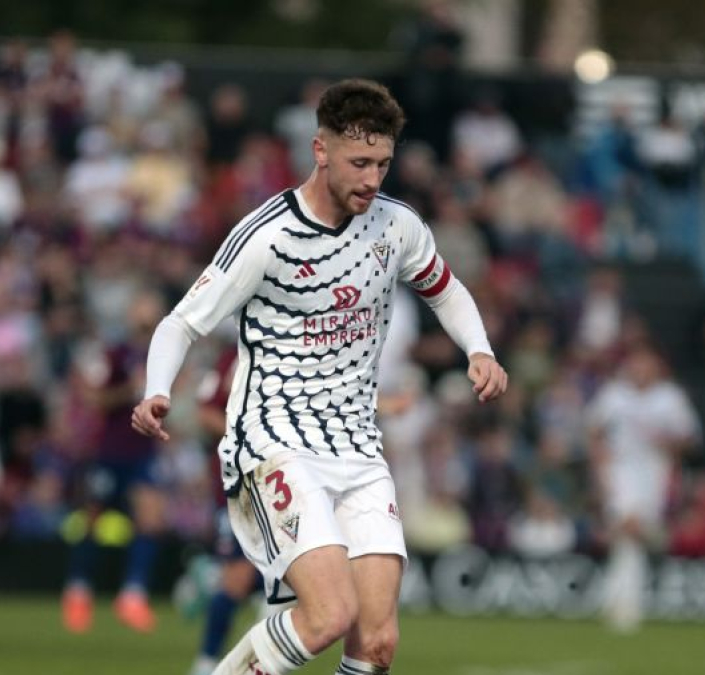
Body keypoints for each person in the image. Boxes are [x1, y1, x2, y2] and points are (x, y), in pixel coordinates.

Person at [132, 79, 507, 675]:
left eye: (383, 164)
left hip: (358, 447)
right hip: (275, 440)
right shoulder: (266, 236)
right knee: (328, 615)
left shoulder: (396, 226)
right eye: (360, 162)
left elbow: (447, 290)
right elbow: (181, 324)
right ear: (320, 150)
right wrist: (157, 390)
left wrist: (479, 350)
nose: (372, 179)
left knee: (377, 641)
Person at [62, 292, 168, 633]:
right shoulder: (115, 353)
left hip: (143, 451)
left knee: (150, 520)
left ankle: (133, 595)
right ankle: (78, 591)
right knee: (92, 518)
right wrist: (129, 391)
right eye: (143, 305)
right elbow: (93, 399)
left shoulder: (161, 356)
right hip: (110, 449)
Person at [587, 343, 700, 633]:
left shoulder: (670, 398)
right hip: (620, 471)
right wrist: (600, 465)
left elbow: (690, 438)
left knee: (632, 537)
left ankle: (617, 601)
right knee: (629, 529)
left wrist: (668, 443)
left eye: (645, 364)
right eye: (635, 364)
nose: (639, 370)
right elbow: (593, 431)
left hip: (654, 473)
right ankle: (626, 608)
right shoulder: (615, 394)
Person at [189, 344, 263, 675]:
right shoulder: (232, 357)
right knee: (236, 579)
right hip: (240, 486)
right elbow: (205, 412)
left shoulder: (302, 348)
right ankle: (207, 663)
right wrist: (251, 440)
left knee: (290, 582)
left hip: (291, 485)